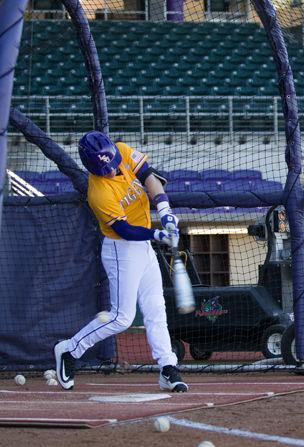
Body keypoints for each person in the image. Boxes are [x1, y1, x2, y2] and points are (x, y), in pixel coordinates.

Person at [54, 130, 189, 391]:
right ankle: (69, 349)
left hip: (144, 249)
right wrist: (158, 233)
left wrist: (165, 211)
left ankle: (167, 368)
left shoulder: (123, 151)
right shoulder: (98, 193)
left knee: (155, 309)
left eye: (111, 164)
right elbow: (125, 230)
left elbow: (150, 177)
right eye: (104, 169)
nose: (111, 171)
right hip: (121, 250)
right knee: (121, 317)